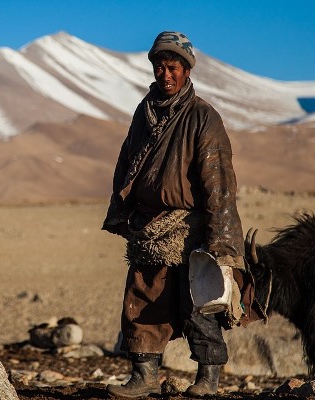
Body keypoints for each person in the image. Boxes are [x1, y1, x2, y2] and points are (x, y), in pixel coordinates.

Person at [102, 31, 247, 398]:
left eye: (173, 67)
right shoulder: (145, 112)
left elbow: (219, 184)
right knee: (142, 299)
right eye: (160, 67)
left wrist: (222, 243)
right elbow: (127, 162)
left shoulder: (203, 118)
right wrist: (121, 210)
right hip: (149, 228)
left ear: (186, 71)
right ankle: (144, 376)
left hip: (190, 228)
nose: (165, 75)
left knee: (199, 302)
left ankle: (208, 380)